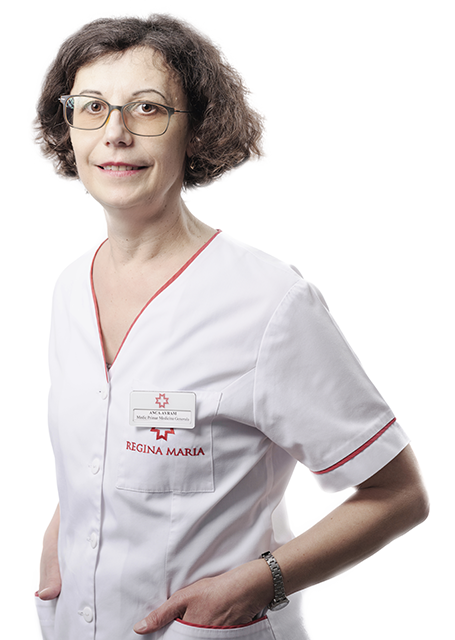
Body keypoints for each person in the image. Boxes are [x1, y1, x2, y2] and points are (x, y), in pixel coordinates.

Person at [28, 11, 429, 640]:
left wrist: (262, 581)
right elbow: (106, 445)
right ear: (68, 126)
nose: (116, 133)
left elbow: (399, 494)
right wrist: (64, 529)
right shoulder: (70, 289)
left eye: (147, 108)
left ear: (196, 130)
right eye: (92, 107)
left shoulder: (269, 302)